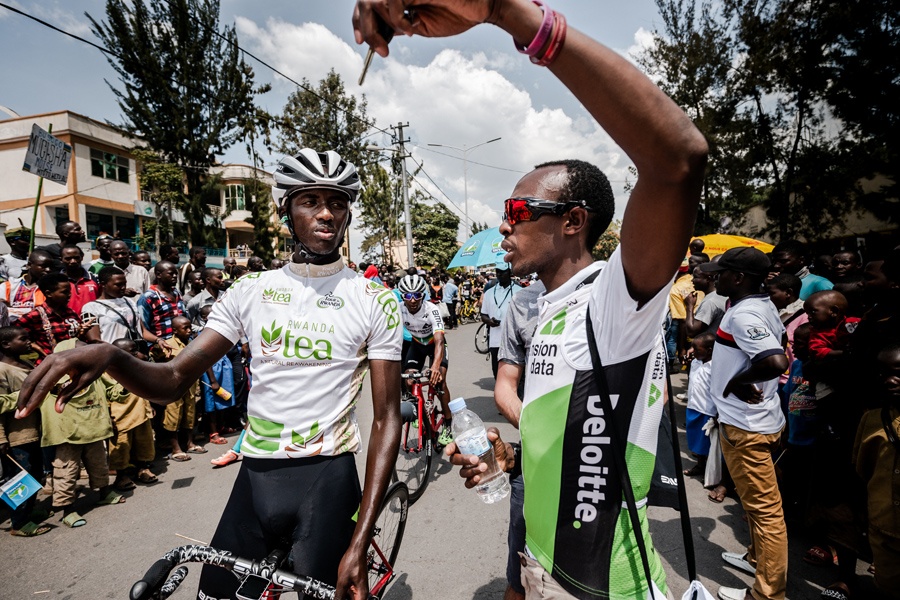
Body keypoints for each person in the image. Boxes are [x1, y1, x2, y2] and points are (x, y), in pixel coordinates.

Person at [342, 2, 715, 598]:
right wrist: (512, 461)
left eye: (518, 212)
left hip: (602, 584)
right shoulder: (548, 305)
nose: (504, 228)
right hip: (542, 565)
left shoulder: (614, 300)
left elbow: (678, 158)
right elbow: (576, 440)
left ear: (573, 221)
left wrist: (505, 13)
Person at [17, 147, 401, 600]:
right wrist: (111, 357)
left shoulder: (375, 299)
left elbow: (385, 418)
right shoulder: (250, 290)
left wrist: (360, 540)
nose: (326, 214)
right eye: (310, 200)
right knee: (214, 594)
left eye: (336, 203)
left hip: (328, 477)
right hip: (256, 475)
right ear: (286, 210)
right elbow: (174, 378)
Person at [699, 247, 790, 600]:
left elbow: (776, 361)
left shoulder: (744, 314)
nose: (715, 277)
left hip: (747, 428)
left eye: (721, 273)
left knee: (765, 514)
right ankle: (756, 559)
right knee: (754, 507)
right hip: (757, 420)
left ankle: (767, 594)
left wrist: (737, 381)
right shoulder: (757, 305)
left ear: (738, 278)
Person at [495, 277, 545, 600]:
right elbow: (505, 387)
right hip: (532, 460)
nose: (505, 230)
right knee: (519, 577)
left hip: (593, 472)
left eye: (516, 221)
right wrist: (519, 451)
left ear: (571, 223)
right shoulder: (522, 303)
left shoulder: (612, 293)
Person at [853, 342, 900, 599]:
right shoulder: (872, 420)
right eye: (883, 374)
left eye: (898, 372)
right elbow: (863, 468)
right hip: (883, 524)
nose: (891, 381)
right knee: (887, 586)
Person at [0, 325, 46, 536]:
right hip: (16, 435)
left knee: (35, 474)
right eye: (23, 339)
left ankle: (28, 511)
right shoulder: (2, 370)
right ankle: (18, 522)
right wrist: (0, 438)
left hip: (34, 430)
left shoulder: (24, 363)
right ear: (6, 344)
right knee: (18, 479)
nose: (29, 342)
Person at [397, 273, 453, 444]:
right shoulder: (398, 308)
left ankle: (449, 424)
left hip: (435, 345)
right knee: (409, 380)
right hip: (417, 345)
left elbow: (439, 341)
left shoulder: (431, 309)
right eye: (408, 296)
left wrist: (435, 367)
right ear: (402, 296)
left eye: (417, 295)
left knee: (439, 382)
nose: (412, 300)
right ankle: (418, 410)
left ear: (423, 295)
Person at [107, 338, 157, 490]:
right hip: (121, 417)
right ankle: (121, 476)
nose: (137, 353)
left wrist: (150, 405)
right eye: (132, 351)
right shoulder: (108, 372)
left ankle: (143, 468)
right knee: (121, 447)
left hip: (141, 412)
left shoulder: (135, 367)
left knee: (144, 443)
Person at [17, 273, 99, 361]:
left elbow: (73, 340)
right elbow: (14, 336)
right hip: (50, 364)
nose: (69, 295)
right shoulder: (34, 316)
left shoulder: (71, 313)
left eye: (69, 291)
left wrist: (81, 332)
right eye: (64, 292)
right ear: (48, 293)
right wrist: (37, 348)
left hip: (73, 361)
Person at [682, 333, 716, 478]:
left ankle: (711, 472)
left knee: (707, 444)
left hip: (707, 410)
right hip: (693, 406)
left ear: (709, 350)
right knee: (696, 441)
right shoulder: (695, 361)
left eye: (697, 349)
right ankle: (700, 465)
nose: (693, 351)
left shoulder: (715, 366)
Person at [480, 263, 522, 379]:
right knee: (497, 374)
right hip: (495, 341)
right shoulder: (489, 293)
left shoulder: (519, 292)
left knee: (515, 376)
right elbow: (483, 314)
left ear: (510, 272)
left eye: (502, 271)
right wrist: (489, 321)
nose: (499, 274)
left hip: (515, 341)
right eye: (497, 271)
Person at [136, 261, 184, 358]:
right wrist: (156, 342)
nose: (175, 276)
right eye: (171, 274)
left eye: (176, 273)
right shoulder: (148, 298)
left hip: (181, 344)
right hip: (162, 348)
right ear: (158, 275)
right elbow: (143, 329)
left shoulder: (176, 292)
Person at [1, 249, 52, 322]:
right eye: (43, 266)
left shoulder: (49, 289)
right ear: (29, 265)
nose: (48, 270)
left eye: (50, 267)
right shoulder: (9, 286)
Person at [684, 262, 727, 337]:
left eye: (696, 277)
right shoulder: (721, 295)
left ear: (708, 279)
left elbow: (691, 332)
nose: (692, 280)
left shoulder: (710, 302)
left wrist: (689, 306)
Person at [60, 245, 100, 314]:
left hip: (92, 322)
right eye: (68, 258)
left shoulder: (94, 278)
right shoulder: (56, 281)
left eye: (76, 258)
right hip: (67, 322)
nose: (73, 261)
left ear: (82, 257)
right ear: (61, 259)